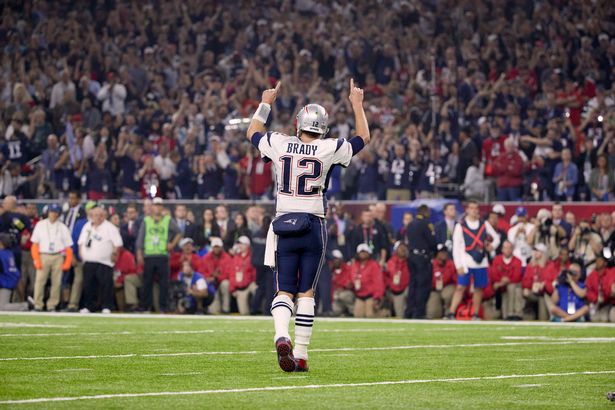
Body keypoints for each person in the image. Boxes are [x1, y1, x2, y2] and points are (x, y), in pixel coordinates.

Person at [247, 78, 369, 372]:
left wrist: (266, 102)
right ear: (323, 127)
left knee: (283, 291)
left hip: (284, 224)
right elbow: (363, 137)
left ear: (298, 122)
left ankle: (281, 336)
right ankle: (300, 354)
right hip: (314, 224)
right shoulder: (329, 147)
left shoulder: (279, 142)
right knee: (306, 293)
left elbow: (252, 131)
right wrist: (357, 104)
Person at [447, 200, 500, 320]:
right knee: (461, 287)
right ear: (467, 210)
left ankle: (475, 314)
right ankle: (451, 312)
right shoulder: (460, 225)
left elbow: (496, 238)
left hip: (481, 262)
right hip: (466, 262)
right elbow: (456, 246)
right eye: (471, 208)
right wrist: (458, 265)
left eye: (476, 208)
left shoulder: (484, 224)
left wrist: (492, 246)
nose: (474, 210)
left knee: (479, 288)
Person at [135, 197, 182, 313]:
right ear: (152, 207)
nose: (157, 207)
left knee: (164, 283)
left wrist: (172, 244)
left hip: (162, 254)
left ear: (162, 207)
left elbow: (179, 232)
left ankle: (163, 307)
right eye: (156, 205)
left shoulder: (167, 220)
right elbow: (140, 238)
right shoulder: (146, 221)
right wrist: (139, 254)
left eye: (159, 205)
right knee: (147, 283)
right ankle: (146, 306)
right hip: (149, 255)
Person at [78, 206, 123, 313]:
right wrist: (82, 255)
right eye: (95, 215)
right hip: (89, 261)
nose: (97, 217)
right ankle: (88, 306)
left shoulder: (110, 227)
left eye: (100, 215)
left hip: (105, 262)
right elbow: (81, 242)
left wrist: (114, 254)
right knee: (88, 285)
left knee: (106, 285)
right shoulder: (87, 226)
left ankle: (106, 306)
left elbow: (118, 243)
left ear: (104, 216)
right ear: (91, 216)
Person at [30, 203, 73, 311]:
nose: (53, 214)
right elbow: (35, 244)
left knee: (56, 282)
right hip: (43, 255)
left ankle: (52, 305)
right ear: (48, 212)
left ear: (59, 214)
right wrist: (36, 259)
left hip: (58, 256)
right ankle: (38, 304)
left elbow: (68, 247)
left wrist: (67, 261)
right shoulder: (40, 225)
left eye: (55, 212)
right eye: (51, 212)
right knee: (40, 281)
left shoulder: (63, 227)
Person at [405, 204, 436, 319]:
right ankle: (419, 312)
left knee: (412, 284)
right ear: (425, 212)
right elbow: (432, 242)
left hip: (412, 256)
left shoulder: (411, 224)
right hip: (423, 258)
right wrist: (434, 252)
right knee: (422, 286)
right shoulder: (426, 224)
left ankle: (409, 311)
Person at [490, 240, 524, 320]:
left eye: (510, 248)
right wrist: (501, 281)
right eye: (506, 248)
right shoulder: (497, 260)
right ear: (502, 249)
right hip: (499, 287)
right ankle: (510, 314)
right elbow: (494, 275)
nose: (508, 250)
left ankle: (511, 314)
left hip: (510, 285)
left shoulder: (518, 261)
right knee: (510, 288)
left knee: (513, 287)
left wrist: (504, 282)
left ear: (512, 249)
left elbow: (517, 276)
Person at [350, 244, 385, 318]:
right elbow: (352, 279)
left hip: (371, 296)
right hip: (359, 295)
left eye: (365, 251)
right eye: (361, 252)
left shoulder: (374, 265)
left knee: (370, 315)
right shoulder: (354, 265)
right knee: (358, 315)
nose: (363, 253)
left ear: (369, 253)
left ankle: (385, 313)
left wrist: (377, 297)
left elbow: (378, 282)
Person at [202, 237, 232, 314]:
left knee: (226, 284)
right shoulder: (206, 258)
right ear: (212, 248)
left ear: (221, 247)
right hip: (212, 285)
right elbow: (202, 271)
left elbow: (228, 273)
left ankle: (226, 308)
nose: (216, 249)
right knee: (214, 311)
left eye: (218, 247)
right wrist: (209, 277)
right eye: (215, 247)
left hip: (221, 282)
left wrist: (217, 277)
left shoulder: (227, 258)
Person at [426, 244, 457, 319]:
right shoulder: (431, 264)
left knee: (447, 294)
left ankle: (448, 313)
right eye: (441, 252)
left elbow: (456, 279)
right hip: (434, 290)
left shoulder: (451, 264)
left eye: (445, 252)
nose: (444, 254)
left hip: (447, 287)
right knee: (433, 313)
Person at [0, 233, 29, 311]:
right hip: (11, 282)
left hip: (4, 284)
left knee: (1, 307)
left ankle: (25, 306)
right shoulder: (9, 253)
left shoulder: (2, 253)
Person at [521, 243, 551, 321]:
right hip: (533, 292)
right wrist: (530, 286)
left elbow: (549, 280)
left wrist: (542, 284)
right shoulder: (530, 266)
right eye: (534, 251)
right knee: (524, 292)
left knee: (542, 298)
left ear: (543, 253)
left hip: (545, 293)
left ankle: (543, 319)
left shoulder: (549, 265)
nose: (535, 253)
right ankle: (523, 317)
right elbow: (525, 282)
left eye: (538, 251)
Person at [228, 236, 256, 315]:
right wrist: (232, 289)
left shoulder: (252, 257)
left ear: (247, 245)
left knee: (256, 288)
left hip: (250, 284)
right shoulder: (235, 258)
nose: (240, 246)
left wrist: (253, 280)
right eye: (239, 244)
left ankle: (261, 309)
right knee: (244, 313)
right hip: (240, 288)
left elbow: (254, 272)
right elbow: (232, 274)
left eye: (242, 244)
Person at [586, 254, 615, 322]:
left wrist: (607, 294)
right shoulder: (591, 275)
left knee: (607, 317)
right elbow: (589, 291)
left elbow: (610, 288)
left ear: (605, 263)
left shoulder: (611, 272)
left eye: (600, 260)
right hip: (596, 303)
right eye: (596, 261)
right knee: (595, 319)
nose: (597, 262)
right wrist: (596, 298)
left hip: (610, 302)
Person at [384, 241, 410, 318]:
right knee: (400, 315)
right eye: (400, 247)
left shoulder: (410, 262)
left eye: (404, 247)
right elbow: (385, 277)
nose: (403, 249)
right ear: (395, 250)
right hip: (394, 291)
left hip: (406, 290)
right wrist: (390, 286)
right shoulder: (390, 263)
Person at [331, 249, 353, 316]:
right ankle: (344, 312)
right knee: (335, 310)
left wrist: (343, 287)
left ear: (341, 259)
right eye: (333, 259)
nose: (335, 261)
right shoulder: (330, 270)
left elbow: (351, 283)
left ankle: (351, 310)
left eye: (337, 258)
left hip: (347, 292)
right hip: (335, 295)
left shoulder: (348, 268)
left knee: (343, 295)